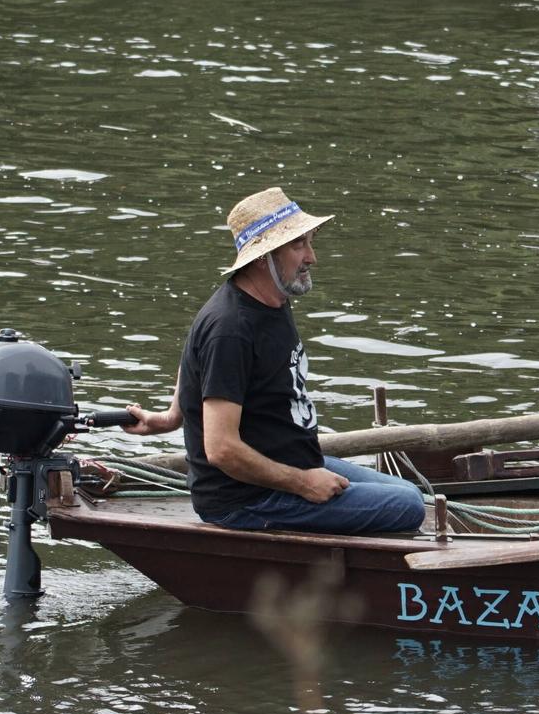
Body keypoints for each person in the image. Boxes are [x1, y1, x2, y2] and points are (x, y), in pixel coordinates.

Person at [121, 187, 426, 535]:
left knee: (406, 491)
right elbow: (221, 450)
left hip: (290, 464)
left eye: (310, 242)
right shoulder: (231, 328)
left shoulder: (273, 299)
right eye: (298, 245)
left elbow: (194, 360)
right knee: (408, 507)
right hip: (247, 499)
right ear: (262, 257)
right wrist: (303, 483)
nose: (312, 257)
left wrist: (171, 417)